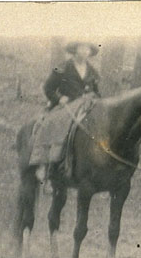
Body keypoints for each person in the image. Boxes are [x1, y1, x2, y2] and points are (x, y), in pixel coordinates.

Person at [35, 41, 101, 184]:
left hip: (87, 106)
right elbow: (48, 88)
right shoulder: (62, 68)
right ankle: (45, 165)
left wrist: (95, 99)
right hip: (67, 105)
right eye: (81, 48)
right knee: (53, 124)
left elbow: (97, 92)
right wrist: (59, 98)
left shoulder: (93, 72)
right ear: (75, 50)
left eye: (87, 49)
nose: (85, 51)